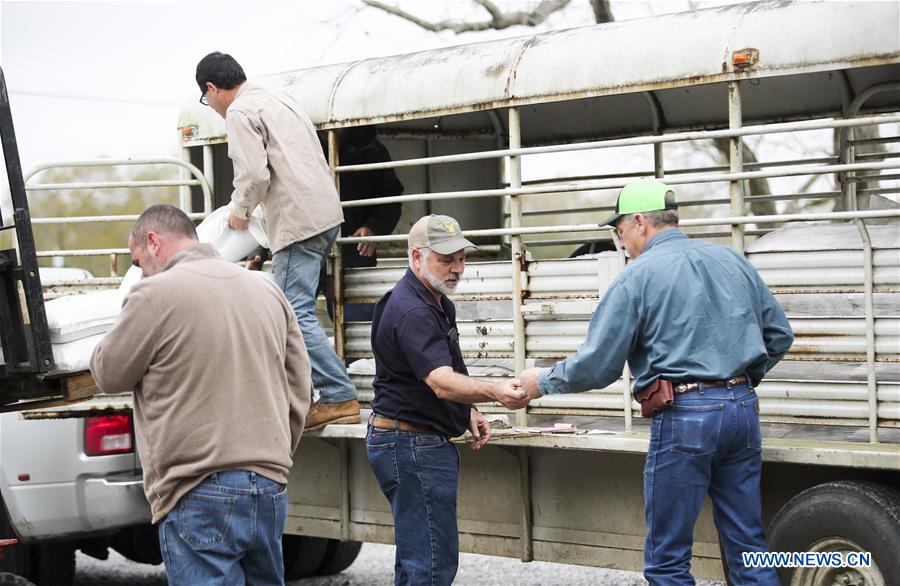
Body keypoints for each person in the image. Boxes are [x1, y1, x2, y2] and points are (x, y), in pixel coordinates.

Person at [518, 179, 793, 585]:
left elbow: (598, 365)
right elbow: (779, 335)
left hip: (687, 418)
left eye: (620, 230)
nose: (621, 241)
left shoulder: (637, 277)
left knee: (667, 560)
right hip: (741, 409)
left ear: (641, 222)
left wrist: (542, 381)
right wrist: (736, 378)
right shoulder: (731, 261)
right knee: (748, 546)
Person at [90, 204, 312, 585]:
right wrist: (274, 456)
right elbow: (300, 386)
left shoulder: (153, 295)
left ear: (154, 242)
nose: (140, 272)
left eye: (138, 261)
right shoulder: (266, 288)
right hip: (268, 485)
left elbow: (108, 373)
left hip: (197, 487)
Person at [195, 50, 359, 430]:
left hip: (296, 220)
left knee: (292, 312)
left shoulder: (239, 112)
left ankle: (337, 395)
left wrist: (239, 212)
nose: (213, 107)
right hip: (324, 213)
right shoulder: (277, 97)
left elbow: (253, 175)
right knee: (301, 308)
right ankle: (315, 391)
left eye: (208, 100)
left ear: (212, 88)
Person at [367, 214, 529, 586]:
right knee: (431, 565)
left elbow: (444, 370)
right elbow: (439, 381)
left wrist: (468, 408)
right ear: (416, 257)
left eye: (462, 258)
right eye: (446, 259)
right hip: (411, 444)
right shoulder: (413, 309)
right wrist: (497, 391)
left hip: (410, 440)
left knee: (417, 562)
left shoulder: (436, 301)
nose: (457, 268)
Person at [318, 125, 404, 323]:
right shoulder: (299, 145)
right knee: (294, 318)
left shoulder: (371, 150)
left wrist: (373, 227)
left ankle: (354, 356)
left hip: (354, 250)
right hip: (309, 245)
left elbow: (390, 198)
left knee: (353, 320)